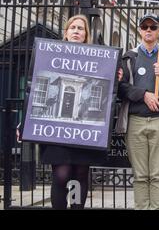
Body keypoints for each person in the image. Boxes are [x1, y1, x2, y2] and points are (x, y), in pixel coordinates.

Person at [19, 14, 107, 209]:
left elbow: (106, 90)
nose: (77, 31)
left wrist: (115, 75)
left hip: (83, 129)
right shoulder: (50, 54)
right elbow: (33, 88)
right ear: (66, 32)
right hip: (56, 128)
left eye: (81, 28)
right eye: (73, 28)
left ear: (86, 35)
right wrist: (23, 121)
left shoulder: (99, 58)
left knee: (80, 175)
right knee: (62, 175)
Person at [116, 13, 159, 210]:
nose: (148, 30)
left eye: (153, 27)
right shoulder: (129, 57)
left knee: (157, 175)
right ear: (139, 30)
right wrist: (144, 94)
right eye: (145, 26)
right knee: (140, 175)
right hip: (135, 121)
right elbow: (121, 88)